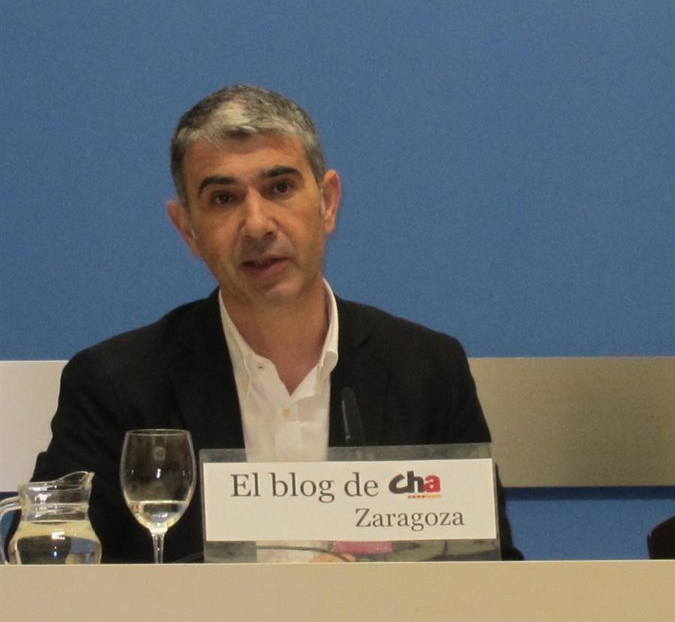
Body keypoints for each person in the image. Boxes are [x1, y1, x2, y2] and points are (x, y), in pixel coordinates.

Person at [32, 85, 520, 561]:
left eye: (280, 188)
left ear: (328, 202)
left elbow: (488, 572)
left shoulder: (427, 371)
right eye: (223, 199)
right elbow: (47, 567)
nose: (257, 224)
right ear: (188, 230)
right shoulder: (116, 386)